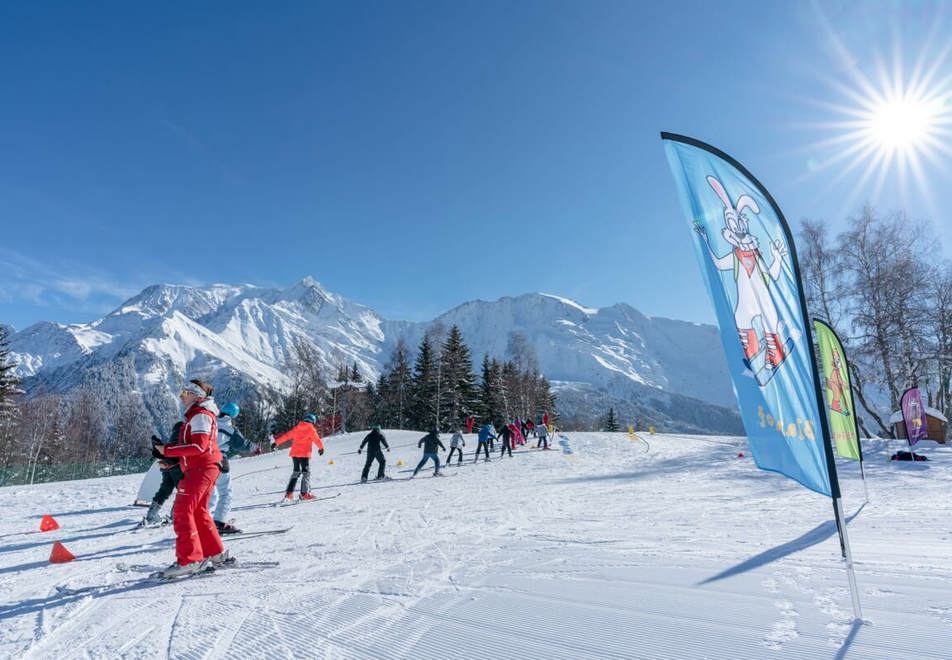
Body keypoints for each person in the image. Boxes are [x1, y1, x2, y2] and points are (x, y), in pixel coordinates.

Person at [153, 379, 228, 578]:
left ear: (197, 395)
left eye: (185, 392)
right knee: (198, 511)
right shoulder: (199, 415)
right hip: (203, 467)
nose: (181, 396)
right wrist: (172, 461)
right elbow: (198, 448)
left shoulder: (200, 416)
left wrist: (167, 450)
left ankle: (190, 559)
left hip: (200, 469)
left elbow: (199, 447)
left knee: (182, 511)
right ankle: (214, 552)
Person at [208, 402, 253, 534]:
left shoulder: (211, 421)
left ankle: (204, 520)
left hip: (204, 460)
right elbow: (242, 444)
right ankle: (219, 522)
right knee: (225, 492)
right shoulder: (230, 428)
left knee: (211, 493)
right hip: (219, 460)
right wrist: (255, 448)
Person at [271, 413, 325, 501]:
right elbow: (317, 439)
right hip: (304, 454)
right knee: (306, 473)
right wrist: (321, 448)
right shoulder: (311, 429)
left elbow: (287, 436)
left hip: (295, 454)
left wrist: (276, 443)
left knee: (296, 472)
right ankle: (304, 494)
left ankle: (289, 493)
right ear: (313, 421)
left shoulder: (297, 427)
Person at [144, 421, 185, 525]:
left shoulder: (172, 440)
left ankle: (151, 515)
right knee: (183, 490)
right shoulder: (182, 439)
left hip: (166, 466)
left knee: (164, 490)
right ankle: (175, 515)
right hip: (177, 466)